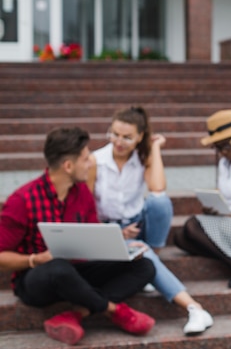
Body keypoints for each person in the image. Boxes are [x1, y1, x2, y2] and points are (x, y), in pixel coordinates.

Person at [0, 127, 156, 345]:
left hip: (78, 270)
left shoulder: (81, 192)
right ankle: (113, 310)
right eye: (85, 159)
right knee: (59, 267)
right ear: (68, 166)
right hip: (37, 279)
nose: (91, 163)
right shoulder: (22, 200)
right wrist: (34, 260)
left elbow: (92, 233)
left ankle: (76, 314)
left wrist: (123, 248)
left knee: (145, 267)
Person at [87, 105, 213, 335]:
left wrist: (154, 148)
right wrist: (114, 234)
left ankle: (151, 258)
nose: (119, 141)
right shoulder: (96, 161)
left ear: (140, 137)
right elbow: (85, 208)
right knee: (142, 249)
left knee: (159, 201)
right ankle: (194, 307)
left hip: (138, 225)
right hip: (110, 230)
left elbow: (157, 187)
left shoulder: (141, 157)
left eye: (127, 137)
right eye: (115, 134)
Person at [173, 109, 231, 288]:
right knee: (181, 238)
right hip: (230, 223)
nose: (222, 152)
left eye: (225, 145)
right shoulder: (225, 163)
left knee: (193, 226)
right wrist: (216, 208)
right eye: (216, 147)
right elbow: (227, 199)